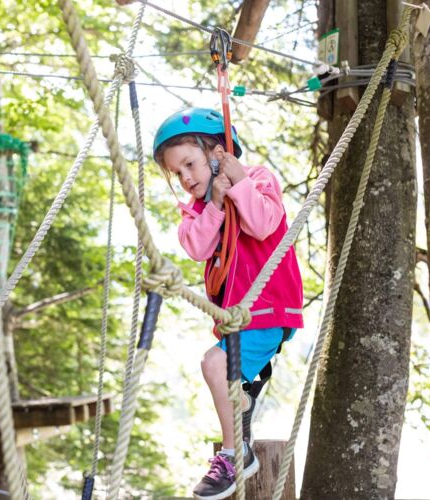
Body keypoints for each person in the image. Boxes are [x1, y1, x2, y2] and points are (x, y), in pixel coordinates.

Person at [153, 108, 304, 500]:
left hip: (268, 308)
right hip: (237, 319)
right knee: (219, 367)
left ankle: (236, 452)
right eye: (178, 173)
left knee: (213, 363)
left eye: (190, 164)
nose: (186, 178)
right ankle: (243, 402)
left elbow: (263, 224)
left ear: (217, 153)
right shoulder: (199, 208)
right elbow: (196, 246)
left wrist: (235, 182)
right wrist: (215, 204)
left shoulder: (256, 180)